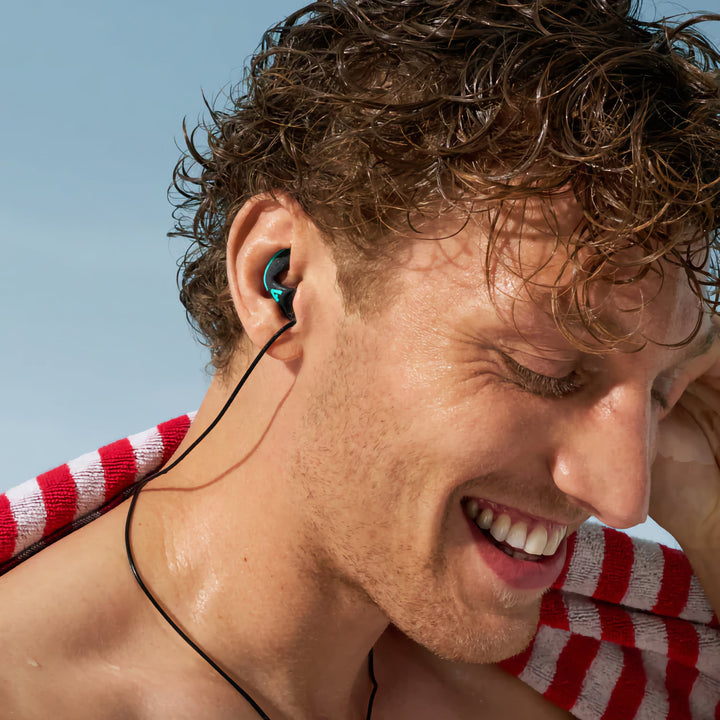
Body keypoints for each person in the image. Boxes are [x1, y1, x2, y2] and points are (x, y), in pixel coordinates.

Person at [2, 0, 720, 718]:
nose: (624, 496)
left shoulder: (595, 694)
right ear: (278, 279)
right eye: (544, 367)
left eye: (663, 389)